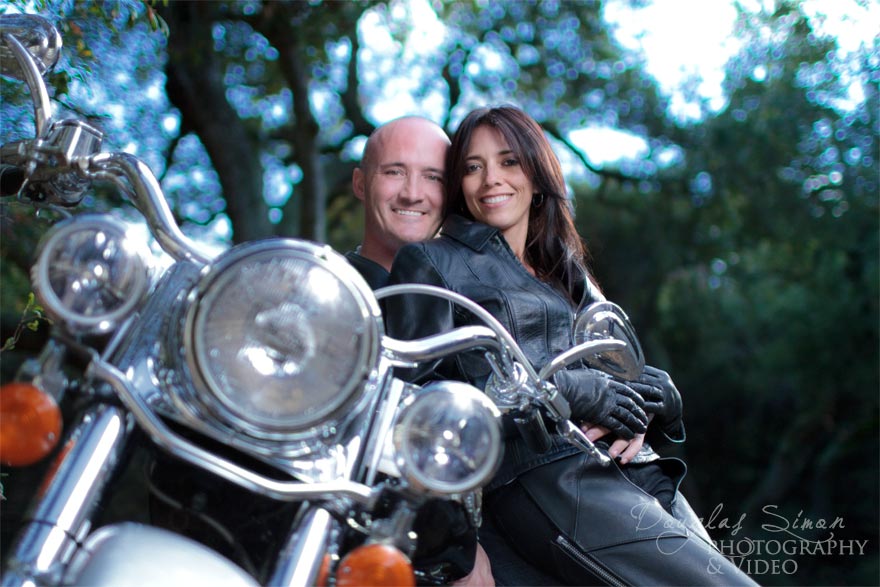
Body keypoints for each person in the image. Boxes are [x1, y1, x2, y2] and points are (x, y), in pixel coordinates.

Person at [384, 105, 759, 586]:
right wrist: (566, 390)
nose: (489, 180)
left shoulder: (566, 267)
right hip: (548, 476)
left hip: (635, 471)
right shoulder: (431, 261)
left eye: (508, 162)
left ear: (537, 175)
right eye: (473, 167)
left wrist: (656, 397)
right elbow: (416, 405)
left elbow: (615, 365)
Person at [346, 115, 497, 586]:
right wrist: (459, 548)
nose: (413, 192)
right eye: (394, 171)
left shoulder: (477, 302)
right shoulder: (327, 298)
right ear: (360, 183)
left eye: (432, 177)